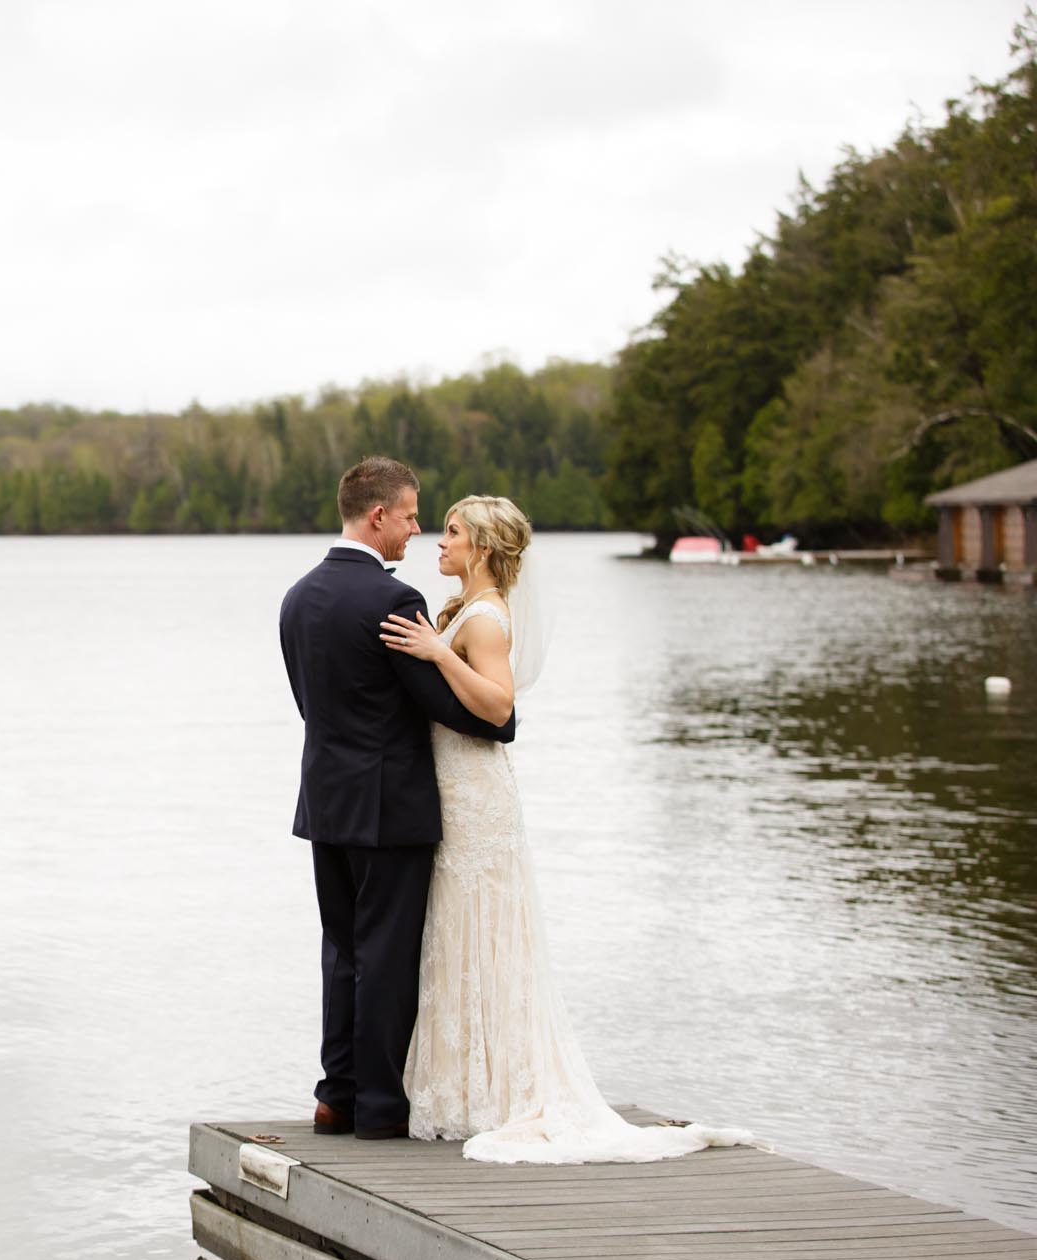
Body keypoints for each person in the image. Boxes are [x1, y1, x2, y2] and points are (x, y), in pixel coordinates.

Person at [379, 495, 753, 1163]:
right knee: (462, 929)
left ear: (484, 548)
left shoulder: (486, 618)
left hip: (476, 792)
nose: (439, 542)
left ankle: (494, 1091)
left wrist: (438, 652)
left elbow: (498, 706)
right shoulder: (469, 607)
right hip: (455, 785)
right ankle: (470, 1085)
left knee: (484, 928)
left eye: (453, 533)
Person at [278, 458, 515, 1141]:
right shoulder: (392, 600)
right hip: (392, 807)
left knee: (342, 949)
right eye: (410, 515)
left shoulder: (297, 596)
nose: (416, 528)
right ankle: (380, 1107)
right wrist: (501, 715)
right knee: (386, 954)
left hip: (326, 801)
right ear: (377, 515)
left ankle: (335, 1097)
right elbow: (456, 710)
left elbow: (308, 703)